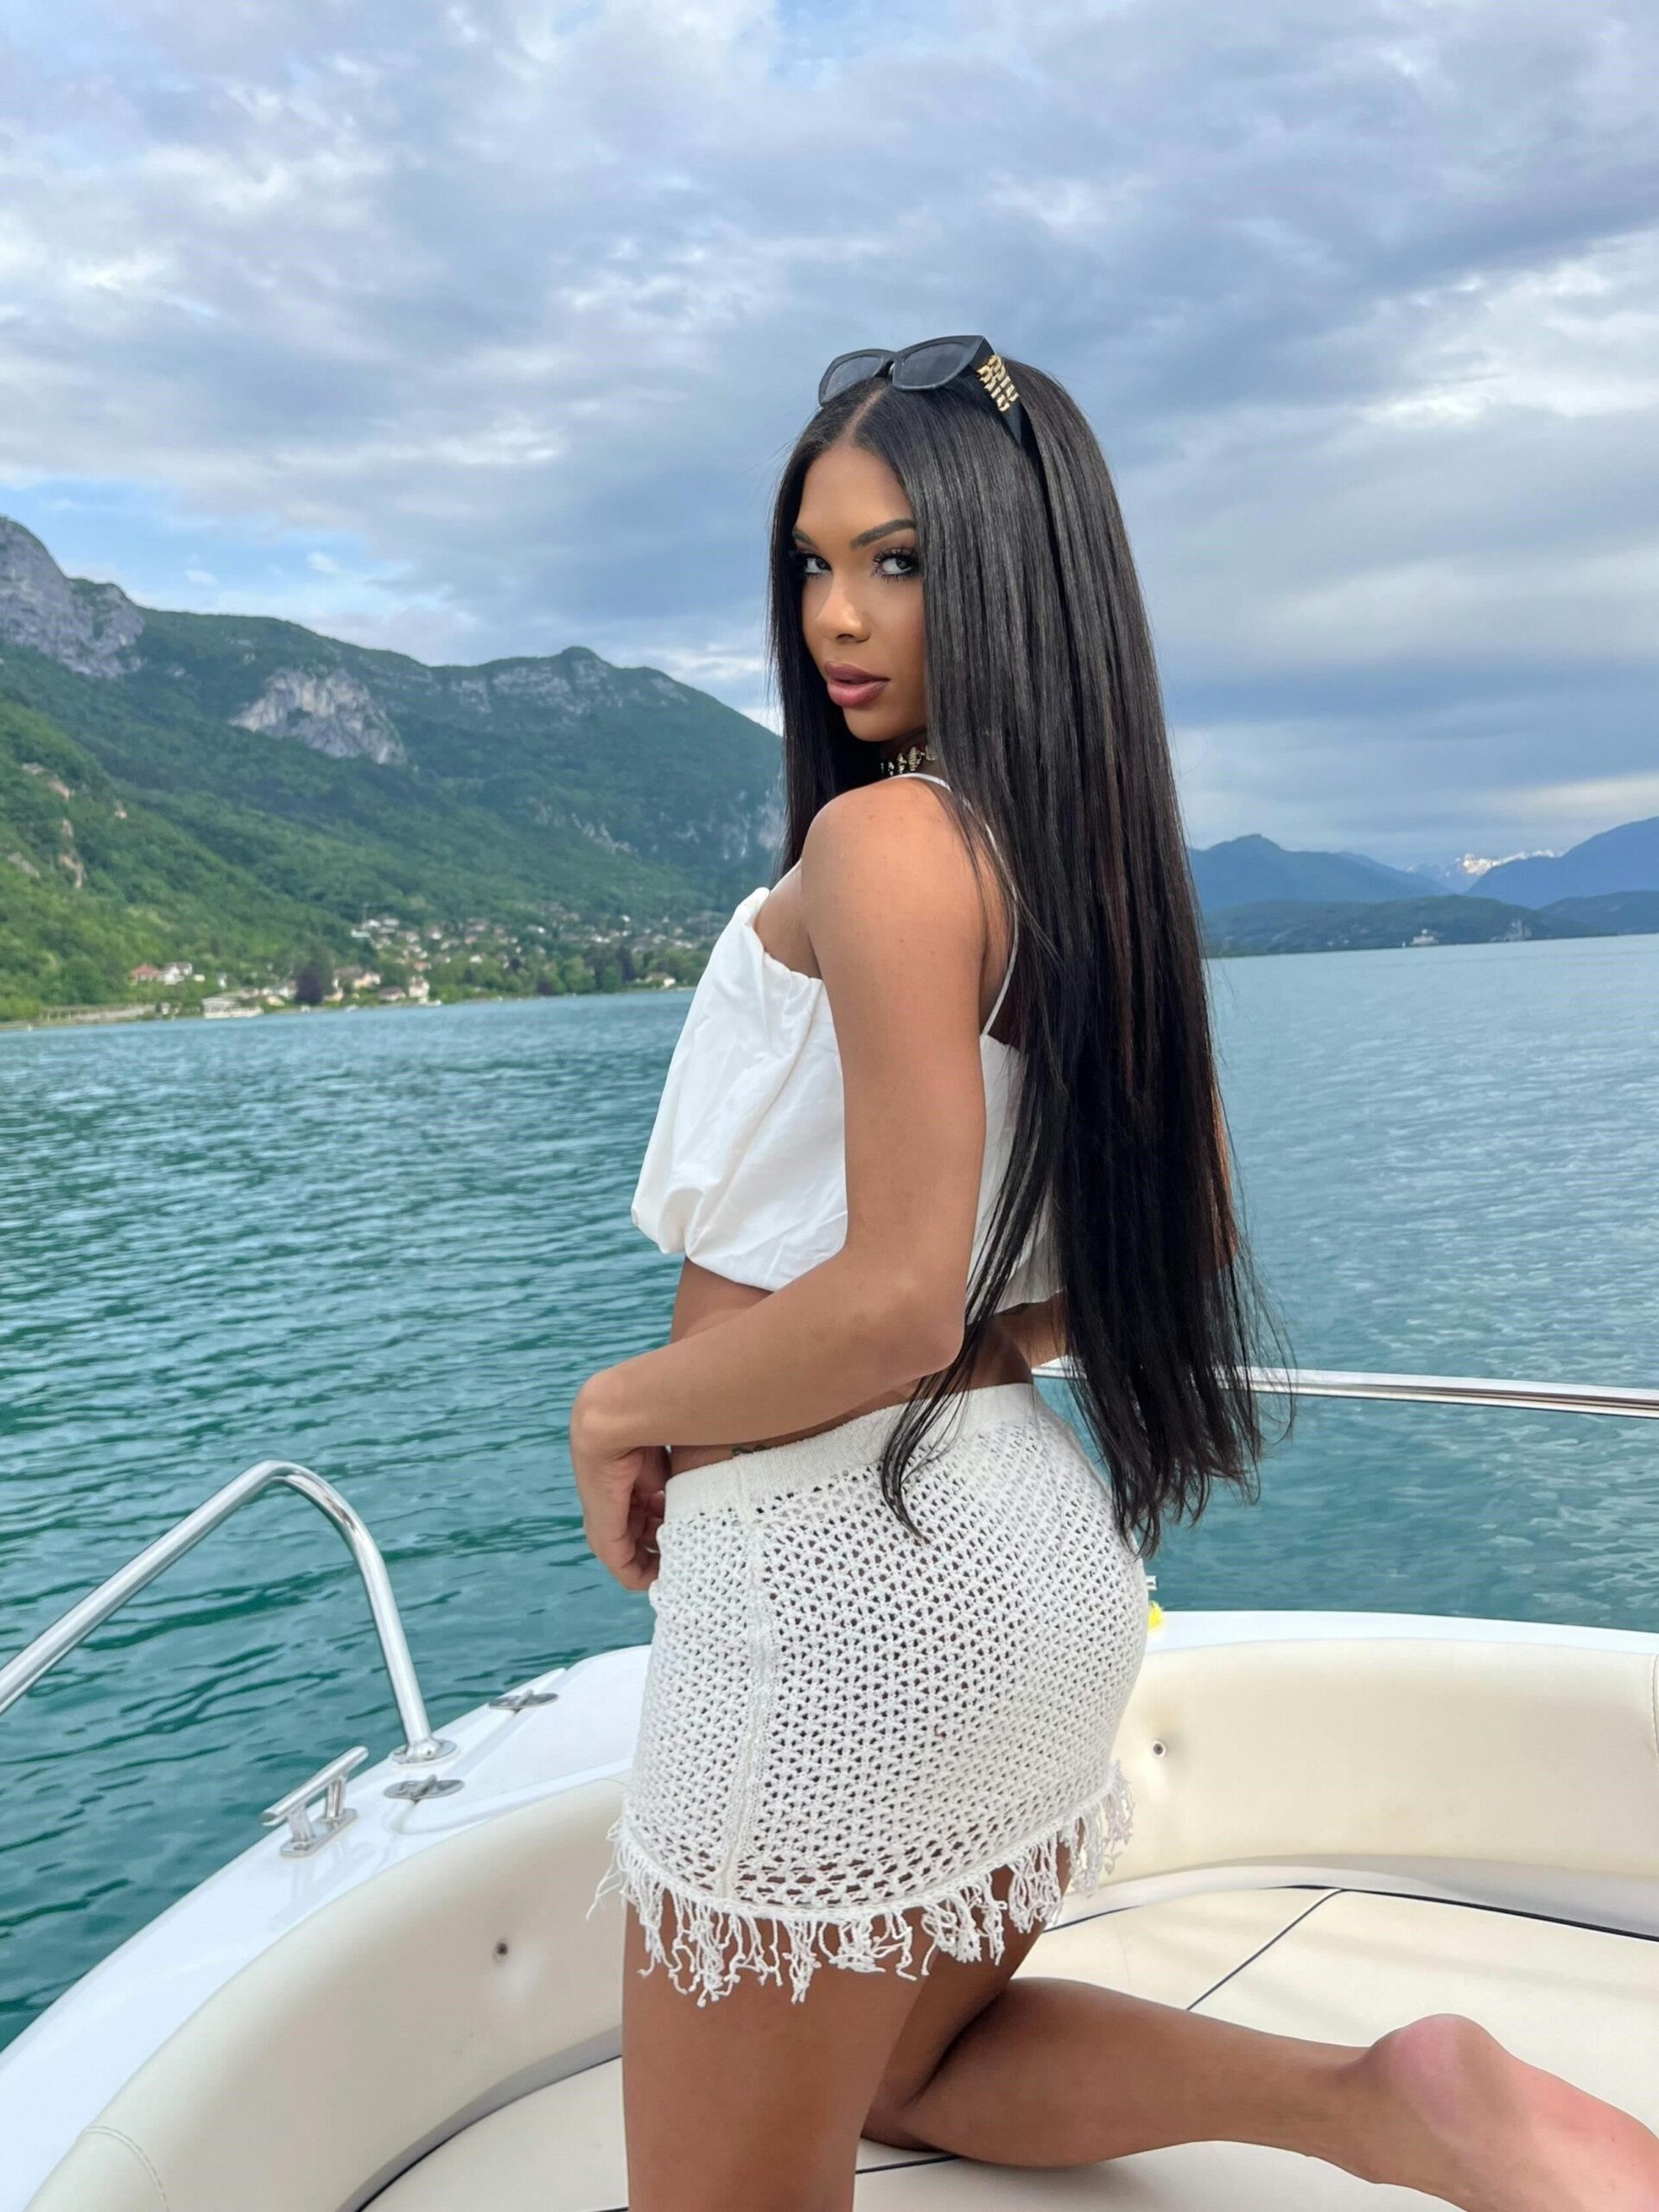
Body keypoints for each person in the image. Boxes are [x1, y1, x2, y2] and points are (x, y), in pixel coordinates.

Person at [569, 340, 1659, 2211]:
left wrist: (620, 1407)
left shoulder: (883, 838)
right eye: (813, 562)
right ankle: (1387, 2102)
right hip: (1030, 1565)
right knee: (912, 2069)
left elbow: (896, 1299)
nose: (836, 617)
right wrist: (929, 1348)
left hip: (835, 1585)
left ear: (1012, 570)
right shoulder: (1083, 864)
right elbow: (1167, 1244)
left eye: (898, 562)